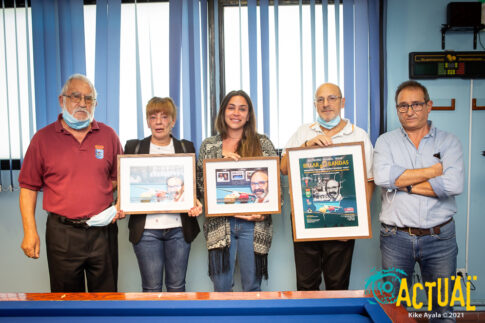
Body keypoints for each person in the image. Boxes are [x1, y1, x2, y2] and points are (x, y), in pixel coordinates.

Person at [18, 74, 123, 292]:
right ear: (61, 100)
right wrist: (30, 231)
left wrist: (115, 202)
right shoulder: (43, 139)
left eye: (89, 98)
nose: (83, 103)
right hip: (62, 234)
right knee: (65, 301)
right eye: (76, 97)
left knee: (106, 300)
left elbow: (119, 180)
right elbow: (28, 188)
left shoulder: (108, 135)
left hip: (102, 232)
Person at [374, 80, 464, 320]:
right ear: (397, 109)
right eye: (403, 106)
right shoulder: (385, 142)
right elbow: (384, 177)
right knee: (394, 309)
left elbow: (454, 185)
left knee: (443, 311)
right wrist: (435, 171)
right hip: (396, 238)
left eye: (415, 104)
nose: (409, 111)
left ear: (429, 106)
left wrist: (404, 182)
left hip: (440, 239)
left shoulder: (449, 141)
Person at [280, 82, 374, 291]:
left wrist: (355, 222)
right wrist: (305, 146)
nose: (326, 104)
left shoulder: (358, 135)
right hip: (307, 219)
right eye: (320, 100)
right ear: (315, 104)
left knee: (338, 284)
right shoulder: (303, 131)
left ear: (342, 102)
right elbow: (284, 167)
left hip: (342, 221)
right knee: (306, 284)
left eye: (331, 98)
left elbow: (369, 181)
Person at [197, 90, 277, 292]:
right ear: (223, 112)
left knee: (252, 287)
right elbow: (199, 185)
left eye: (242, 109)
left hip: (254, 225)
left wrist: (264, 211)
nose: (236, 113)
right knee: (222, 288)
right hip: (220, 225)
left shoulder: (263, 143)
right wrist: (218, 162)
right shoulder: (209, 145)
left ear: (249, 115)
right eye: (231, 107)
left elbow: (275, 186)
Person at [124, 97, 202, 292]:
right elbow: (127, 185)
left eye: (164, 116)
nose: (158, 122)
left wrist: (197, 202)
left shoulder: (186, 147)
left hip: (178, 229)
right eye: (153, 117)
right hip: (146, 230)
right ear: (148, 121)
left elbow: (194, 187)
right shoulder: (134, 148)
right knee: (151, 289)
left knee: (177, 287)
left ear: (172, 121)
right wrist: (122, 203)